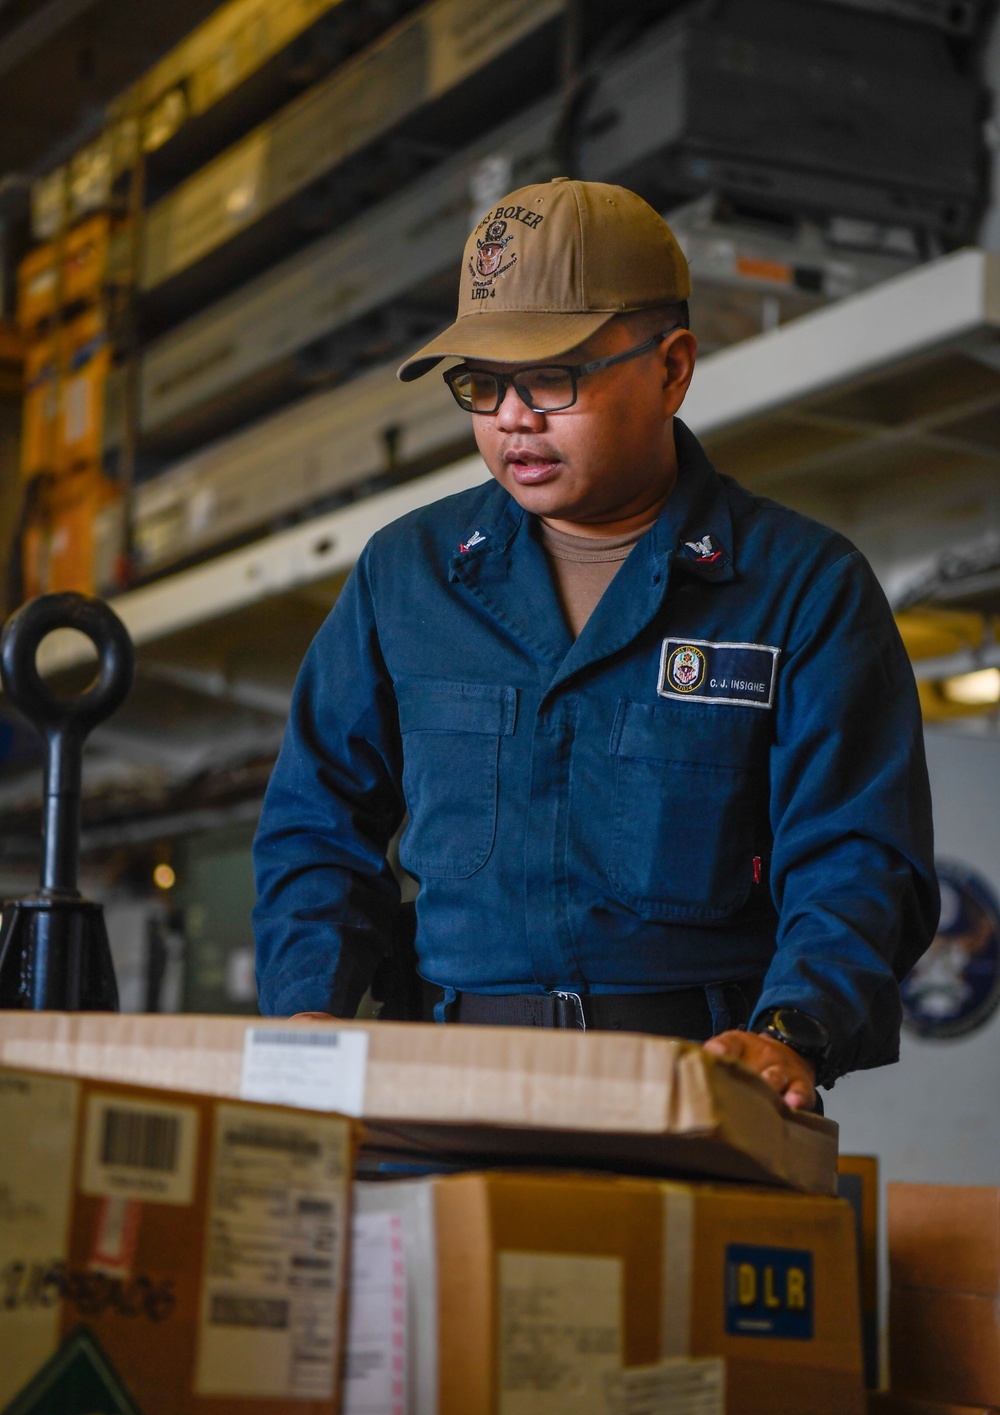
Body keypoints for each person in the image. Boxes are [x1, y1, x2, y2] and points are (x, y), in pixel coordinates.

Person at [252, 177, 939, 1111]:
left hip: (702, 1087)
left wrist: (794, 1032)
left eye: (552, 376)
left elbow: (859, 856)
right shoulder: (405, 577)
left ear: (673, 367)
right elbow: (315, 826)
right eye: (480, 385)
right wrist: (307, 1010)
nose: (511, 418)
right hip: (453, 1082)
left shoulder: (800, 588)